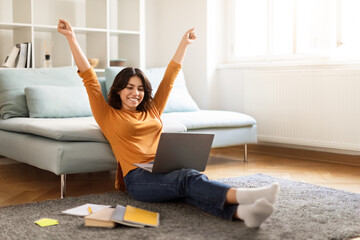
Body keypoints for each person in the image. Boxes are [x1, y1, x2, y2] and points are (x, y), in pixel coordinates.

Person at [57, 19, 280, 228]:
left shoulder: (153, 109)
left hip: (161, 168)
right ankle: (243, 194)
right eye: (130, 87)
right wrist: (71, 38)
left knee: (190, 185)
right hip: (138, 179)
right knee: (187, 179)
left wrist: (184, 44)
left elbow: (170, 77)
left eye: (141, 89)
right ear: (117, 90)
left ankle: (242, 213)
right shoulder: (108, 115)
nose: (136, 93)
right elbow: (89, 77)